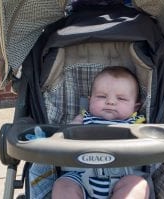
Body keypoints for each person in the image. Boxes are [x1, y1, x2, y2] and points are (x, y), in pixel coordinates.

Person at [52, 66, 150, 199]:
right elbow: (63, 137)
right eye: (101, 96)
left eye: (121, 99)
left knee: (138, 185)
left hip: (124, 177)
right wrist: (67, 133)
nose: (110, 101)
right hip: (81, 177)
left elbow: (149, 148)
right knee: (63, 185)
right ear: (90, 100)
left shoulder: (136, 124)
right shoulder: (82, 119)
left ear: (135, 107)